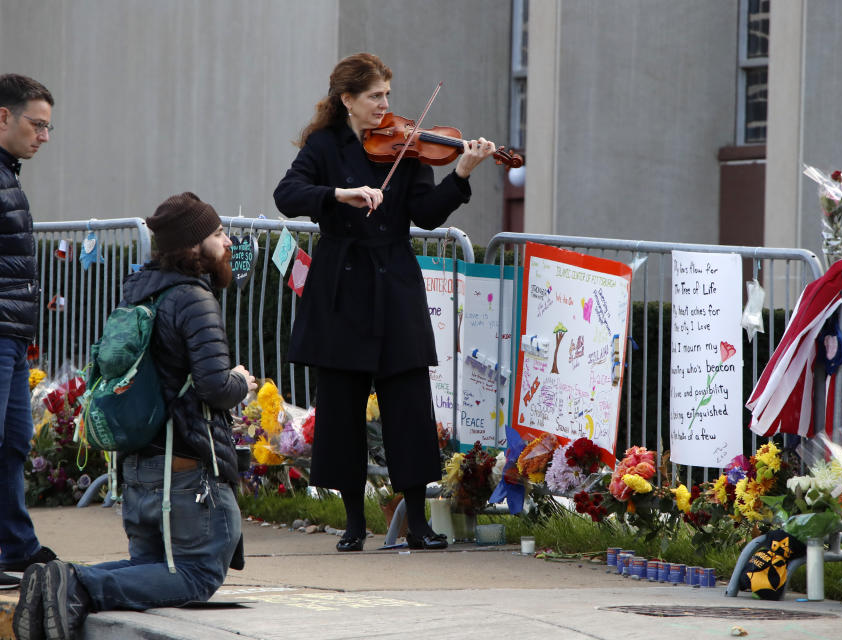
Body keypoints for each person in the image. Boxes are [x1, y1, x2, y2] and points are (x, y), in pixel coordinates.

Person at [273, 52, 497, 552]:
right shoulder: (324, 145)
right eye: (375, 96)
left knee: (409, 403)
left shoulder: (410, 147)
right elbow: (287, 194)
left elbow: (426, 215)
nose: (386, 106)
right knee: (341, 405)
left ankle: (417, 522)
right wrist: (339, 194)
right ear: (347, 99)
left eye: (388, 95)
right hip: (341, 284)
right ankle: (354, 521)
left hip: (394, 280)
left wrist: (460, 174)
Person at [13, 193, 257, 640]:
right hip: (183, 474)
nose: (227, 244)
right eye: (218, 234)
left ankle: (57, 577)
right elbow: (213, 388)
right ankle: (78, 581)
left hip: (143, 470)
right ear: (192, 246)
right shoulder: (194, 300)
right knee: (197, 575)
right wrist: (242, 380)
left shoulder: (140, 291)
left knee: (149, 569)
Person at [0, 74, 58, 588]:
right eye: (36, 125)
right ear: (3, 116)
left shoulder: (8, 174)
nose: (43, 136)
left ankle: (14, 547)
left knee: (15, 441)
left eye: (48, 127)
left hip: (13, 335)